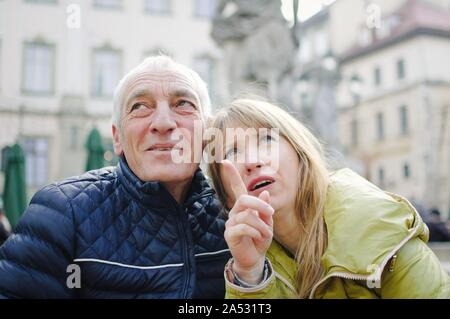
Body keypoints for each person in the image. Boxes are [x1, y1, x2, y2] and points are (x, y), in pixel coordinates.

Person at [0, 56, 230, 298]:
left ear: (207, 134)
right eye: (140, 106)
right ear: (117, 137)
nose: (163, 123)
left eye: (183, 103)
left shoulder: (233, 213)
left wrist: (251, 275)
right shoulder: (61, 212)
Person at [207, 98, 450, 298]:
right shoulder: (245, 260)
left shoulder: (375, 225)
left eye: (266, 139)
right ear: (226, 197)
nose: (252, 160)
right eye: (232, 152)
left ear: (301, 156)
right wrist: (250, 275)